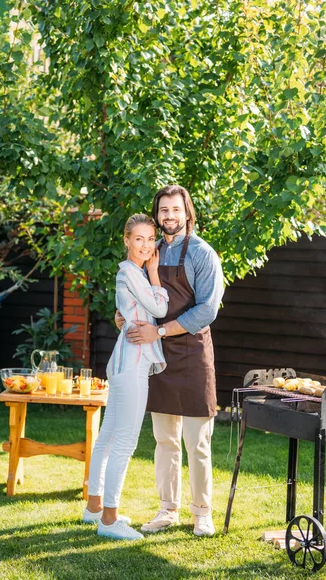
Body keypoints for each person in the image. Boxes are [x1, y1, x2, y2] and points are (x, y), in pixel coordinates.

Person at [123, 185, 224, 537]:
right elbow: (140, 297)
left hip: (193, 353)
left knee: (197, 442)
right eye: (163, 210)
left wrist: (161, 332)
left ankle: (202, 513)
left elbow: (207, 310)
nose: (169, 216)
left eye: (175, 210)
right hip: (157, 357)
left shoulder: (202, 253)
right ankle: (168, 509)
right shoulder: (148, 251)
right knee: (165, 439)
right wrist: (125, 318)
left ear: (187, 213)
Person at [82, 214, 169, 541]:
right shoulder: (134, 273)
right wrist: (155, 273)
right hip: (131, 365)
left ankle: (93, 508)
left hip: (123, 362)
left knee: (107, 437)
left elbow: (136, 313)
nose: (146, 245)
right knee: (124, 442)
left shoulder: (131, 274)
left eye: (150, 239)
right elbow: (159, 308)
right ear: (127, 240)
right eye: (139, 239)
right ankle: (110, 518)